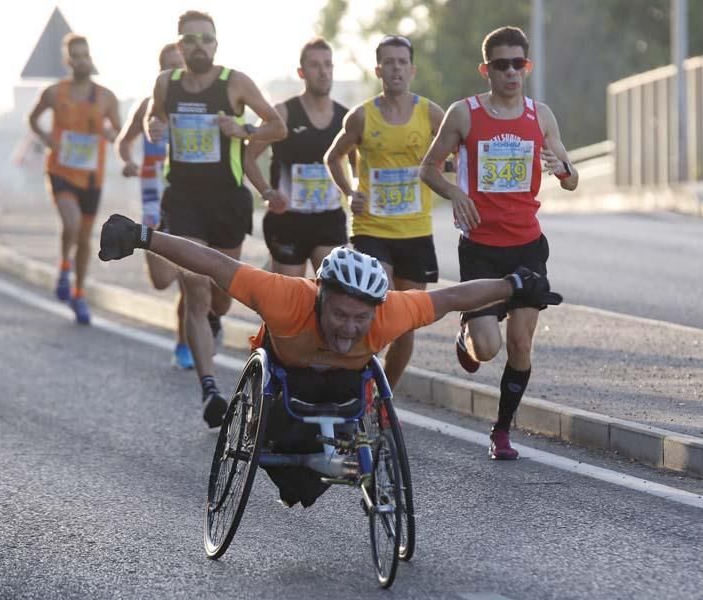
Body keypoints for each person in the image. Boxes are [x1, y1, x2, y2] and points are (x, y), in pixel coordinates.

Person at [97, 213, 562, 505]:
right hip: (283, 401)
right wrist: (142, 236)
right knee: (294, 484)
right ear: (320, 298)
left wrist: (513, 286)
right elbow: (215, 264)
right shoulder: (285, 298)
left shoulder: (385, 314)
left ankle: (332, 468)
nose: (350, 327)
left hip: (343, 400)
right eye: (341, 314)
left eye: (361, 319)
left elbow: (450, 298)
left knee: (314, 481)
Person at [419, 26, 578, 460]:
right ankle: (467, 333)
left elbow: (571, 177)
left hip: (527, 245)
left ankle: (502, 430)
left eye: (518, 64)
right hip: (482, 248)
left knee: (522, 345)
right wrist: (454, 193)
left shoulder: (540, 115)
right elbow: (428, 168)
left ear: (527, 67)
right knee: (486, 348)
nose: (511, 72)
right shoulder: (464, 114)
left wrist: (563, 169)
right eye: (501, 65)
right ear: (485, 69)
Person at [144, 10, 287, 427]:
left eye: (205, 39)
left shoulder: (235, 83)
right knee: (194, 285)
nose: (198, 46)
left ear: (216, 44)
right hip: (184, 197)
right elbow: (156, 119)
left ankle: (212, 319)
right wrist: (155, 127)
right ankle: (209, 388)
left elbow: (276, 127)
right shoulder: (165, 84)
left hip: (227, 199)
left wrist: (242, 129)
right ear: (179, 45)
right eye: (190, 40)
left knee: (221, 295)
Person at [325, 35, 444, 392]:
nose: (395, 68)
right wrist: (350, 192)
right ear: (378, 70)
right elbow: (333, 157)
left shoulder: (431, 113)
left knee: (406, 324)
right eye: (388, 62)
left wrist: (450, 174)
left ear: (412, 69)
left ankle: (382, 398)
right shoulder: (362, 116)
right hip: (372, 228)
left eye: (402, 62)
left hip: (416, 230)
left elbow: (460, 149)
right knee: (378, 310)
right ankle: (355, 387)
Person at [28, 33, 122, 324]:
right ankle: (64, 268)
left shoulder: (106, 96)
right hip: (60, 170)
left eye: (85, 54)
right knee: (70, 223)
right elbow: (33, 119)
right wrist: (46, 139)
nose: (81, 60)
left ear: (90, 58)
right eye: (76, 55)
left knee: (84, 238)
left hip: (92, 176)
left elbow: (118, 131)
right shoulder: (55, 93)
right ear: (67, 60)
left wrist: (110, 134)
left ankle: (79, 294)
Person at [115, 42, 194, 369]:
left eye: (180, 66)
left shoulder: (196, 105)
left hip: (189, 199)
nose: (174, 72)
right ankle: (195, 313)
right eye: (168, 66)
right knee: (163, 280)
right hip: (153, 201)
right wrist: (129, 162)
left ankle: (184, 342)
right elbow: (124, 142)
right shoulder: (148, 105)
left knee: (190, 280)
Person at [244, 37, 350, 278]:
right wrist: (266, 192)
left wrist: (353, 192)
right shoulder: (283, 113)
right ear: (301, 72)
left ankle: (271, 272)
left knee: (333, 291)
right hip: (287, 219)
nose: (323, 72)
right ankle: (273, 272)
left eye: (328, 64)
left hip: (329, 218)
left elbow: (358, 164)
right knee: (288, 304)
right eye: (315, 65)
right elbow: (247, 156)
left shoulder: (346, 118)